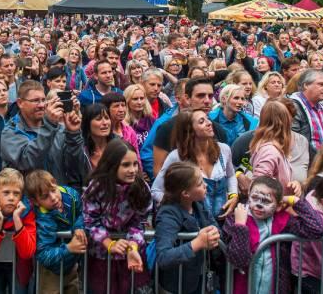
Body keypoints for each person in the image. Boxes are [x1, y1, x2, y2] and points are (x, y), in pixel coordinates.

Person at [223, 176, 323, 294]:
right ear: (248, 196)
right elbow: (239, 261)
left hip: (275, 288)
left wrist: (295, 201)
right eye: (255, 197)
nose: (259, 205)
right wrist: (240, 226)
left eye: (267, 201)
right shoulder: (235, 219)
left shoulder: (283, 221)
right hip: (242, 288)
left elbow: (318, 229)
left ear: (278, 205)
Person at [82, 139, 152, 294]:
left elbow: (140, 222)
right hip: (101, 258)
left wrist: (132, 246)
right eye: (126, 165)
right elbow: (90, 221)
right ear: (112, 165)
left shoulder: (142, 188)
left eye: (135, 164)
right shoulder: (97, 187)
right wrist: (109, 243)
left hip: (131, 257)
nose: (133, 170)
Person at [152, 109, 237, 219]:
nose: (209, 123)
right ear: (190, 130)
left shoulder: (224, 150)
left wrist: (233, 195)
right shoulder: (177, 156)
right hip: (194, 228)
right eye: (202, 121)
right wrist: (180, 209)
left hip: (224, 222)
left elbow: (231, 175)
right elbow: (156, 190)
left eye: (208, 119)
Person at [0, 80, 86, 190]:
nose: (41, 105)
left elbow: (75, 166)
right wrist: (49, 125)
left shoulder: (58, 128)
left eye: (43, 100)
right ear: (20, 103)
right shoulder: (11, 131)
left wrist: (73, 134)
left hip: (57, 197)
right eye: (35, 101)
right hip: (27, 202)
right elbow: (26, 161)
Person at [154, 162, 221, 294]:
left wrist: (214, 233)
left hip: (200, 281)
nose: (206, 185)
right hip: (178, 286)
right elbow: (163, 257)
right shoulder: (168, 214)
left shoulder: (198, 204)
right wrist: (198, 243)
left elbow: (214, 227)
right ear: (185, 193)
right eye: (200, 184)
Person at [0, 168, 36, 294]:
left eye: (16, 193)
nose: (11, 198)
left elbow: (27, 252)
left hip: (20, 268)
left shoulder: (27, 212)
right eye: (6, 192)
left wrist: (17, 219)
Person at [26, 169, 86, 294]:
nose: (53, 198)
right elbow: (43, 253)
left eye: (53, 190)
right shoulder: (43, 219)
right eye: (45, 196)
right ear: (36, 202)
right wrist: (69, 248)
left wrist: (78, 226)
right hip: (51, 272)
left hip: (71, 265)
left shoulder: (71, 195)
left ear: (56, 184)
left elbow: (82, 213)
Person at [249, 100, 303, 196]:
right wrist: (286, 200)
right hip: (272, 209)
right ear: (283, 123)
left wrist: (293, 185)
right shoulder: (269, 152)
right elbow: (258, 191)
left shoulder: (274, 148)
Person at [81, 103, 114, 171]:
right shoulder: (81, 152)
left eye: (107, 118)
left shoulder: (119, 146)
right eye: (98, 119)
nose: (105, 123)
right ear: (87, 123)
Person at [123, 84, 156, 150]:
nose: (139, 102)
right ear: (127, 101)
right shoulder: (123, 124)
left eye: (142, 98)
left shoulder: (151, 120)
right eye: (135, 99)